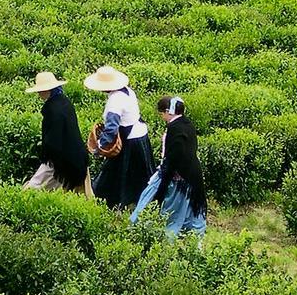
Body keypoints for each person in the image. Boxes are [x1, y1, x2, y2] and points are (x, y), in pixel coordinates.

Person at [130, 96, 207, 238]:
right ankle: (196, 244)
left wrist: (164, 182)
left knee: (171, 215)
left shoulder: (174, 128)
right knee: (193, 214)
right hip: (193, 175)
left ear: (168, 111)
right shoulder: (188, 124)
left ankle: (157, 241)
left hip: (178, 178)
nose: (162, 117)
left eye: (161, 114)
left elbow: (173, 157)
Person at [84, 65, 155, 209]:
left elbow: (111, 129)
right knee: (139, 174)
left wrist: (100, 147)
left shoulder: (114, 101)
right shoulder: (128, 91)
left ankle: (110, 203)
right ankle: (141, 202)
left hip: (128, 141)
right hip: (140, 136)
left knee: (115, 173)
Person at [23, 72, 92, 197]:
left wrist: (47, 157)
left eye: (40, 91)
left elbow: (53, 142)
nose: (38, 94)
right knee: (78, 195)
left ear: (47, 90)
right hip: (77, 157)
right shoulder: (64, 102)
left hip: (60, 162)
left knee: (33, 191)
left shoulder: (53, 110)